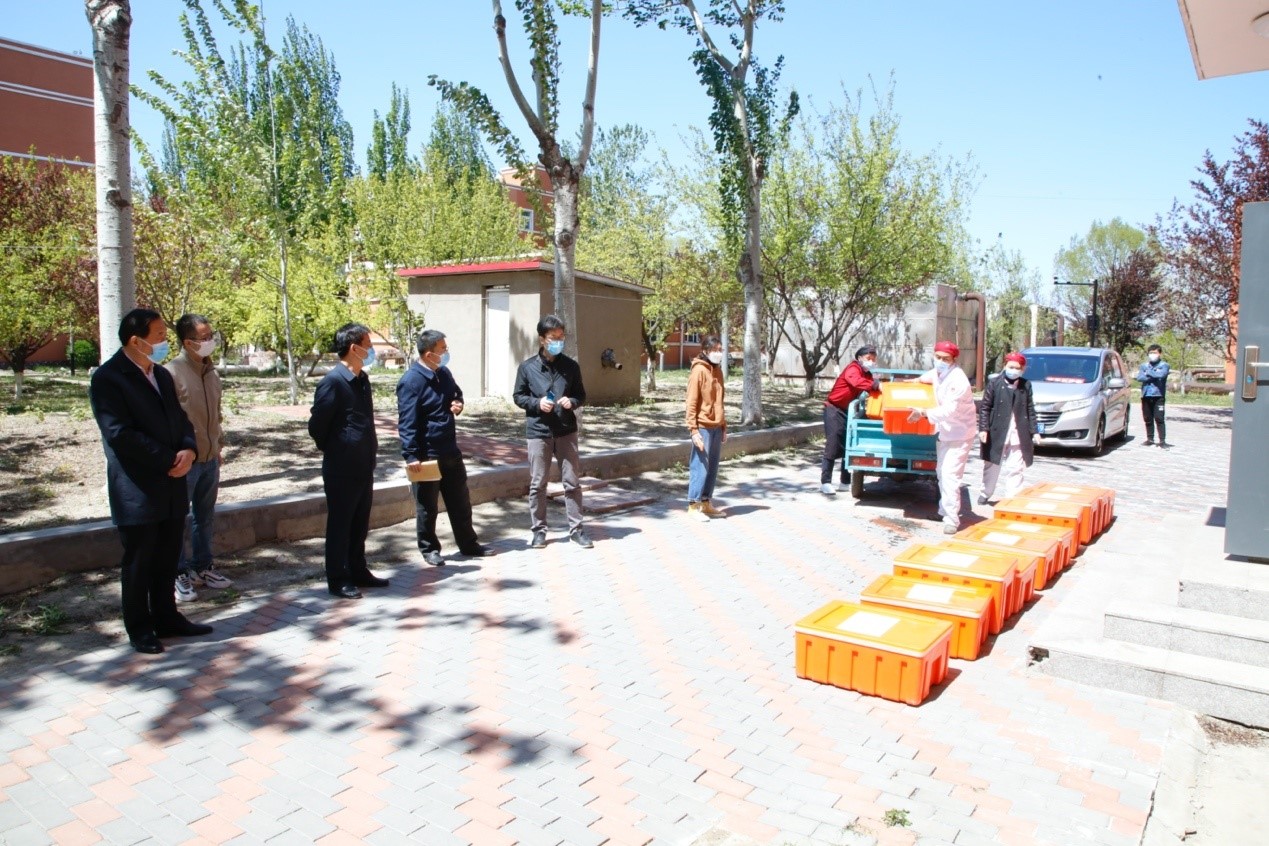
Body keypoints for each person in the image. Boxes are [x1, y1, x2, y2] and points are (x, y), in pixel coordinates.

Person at [89, 308, 212, 654]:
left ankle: (167, 617)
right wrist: (167, 459)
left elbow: (180, 419)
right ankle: (140, 628)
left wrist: (188, 449)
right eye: (158, 335)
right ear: (135, 340)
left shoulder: (160, 374)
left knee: (167, 556)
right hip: (139, 487)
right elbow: (119, 434)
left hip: (173, 483)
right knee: (140, 561)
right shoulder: (109, 379)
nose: (164, 341)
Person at [396, 329, 493, 566]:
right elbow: (407, 421)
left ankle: (468, 544)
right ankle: (429, 549)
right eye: (443, 349)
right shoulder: (410, 381)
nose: (446, 352)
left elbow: (456, 394)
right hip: (426, 455)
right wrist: (411, 455)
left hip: (450, 449)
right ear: (429, 354)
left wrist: (458, 403)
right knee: (427, 506)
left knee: (460, 501)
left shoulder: (444, 373)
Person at [308, 323, 389, 599]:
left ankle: (358, 570)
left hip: (364, 464)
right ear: (354, 348)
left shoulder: (361, 379)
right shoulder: (332, 382)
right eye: (368, 344)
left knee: (359, 523)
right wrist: (339, 448)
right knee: (340, 526)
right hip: (341, 468)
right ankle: (338, 578)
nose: (372, 350)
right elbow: (317, 426)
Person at [168, 313, 232, 603]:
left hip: (209, 459)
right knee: (177, 520)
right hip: (184, 463)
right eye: (204, 337)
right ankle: (178, 573)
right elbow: (169, 421)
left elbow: (216, 415)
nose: (210, 341)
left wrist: (217, 447)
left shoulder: (211, 373)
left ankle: (202, 567)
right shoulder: (171, 373)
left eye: (211, 336)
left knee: (204, 517)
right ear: (187, 342)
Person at [512, 315, 592, 549]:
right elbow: (518, 396)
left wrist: (572, 402)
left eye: (561, 336)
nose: (558, 341)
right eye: (553, 337)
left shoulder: (571, 366)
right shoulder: (527, 367)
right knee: (538, 484)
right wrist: (537, 403)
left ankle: (577, 530)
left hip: (566, 430)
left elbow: (581, 395)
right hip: (539, 431)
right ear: (542, 339)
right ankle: (539, 531)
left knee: (572, 482)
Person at [908, 341, 978, 534]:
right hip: (945, 432)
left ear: (954, 360)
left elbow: (949, 410)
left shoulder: (958, 380)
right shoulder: (939, 372)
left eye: (945, 359)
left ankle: (952, 520)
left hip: (959, 434)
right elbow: (928, 377)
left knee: (950, 476)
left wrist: (923, 412)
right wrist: (915, 381)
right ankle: (943, 511)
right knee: (941, 473)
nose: (940, 361)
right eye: (937, 357)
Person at [819, 345, 882, 496]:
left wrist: (876, 382)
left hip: (849, 411)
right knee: (833, 444)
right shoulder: (853, 368)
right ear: (860, 358)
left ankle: (845, 482)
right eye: (868, 358)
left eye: (873, 359)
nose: (871, 362)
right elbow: (856, 382)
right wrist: (875, 384)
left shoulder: (867, 374)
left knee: (848, 445)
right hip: (834, 409)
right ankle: (825, 482)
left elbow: (871, 388)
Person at [977, 352, 1039, 504]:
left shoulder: (1026, 385)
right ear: (1005, 366)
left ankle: (1013, 498)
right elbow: (985, 407)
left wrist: (1035, 431)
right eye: (1011, 367)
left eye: (1018, 368)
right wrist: (983, 429)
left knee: (1015, 467)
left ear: (1023, 369)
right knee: (992, 464)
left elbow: (1030, 409)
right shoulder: (995, 383)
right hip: (997, 431)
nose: (1014, 371)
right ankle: (986, 492)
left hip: (1018, 432)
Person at [685, 336, 728, 521]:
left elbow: (720, 401)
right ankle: (693, 505)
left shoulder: (718, 371)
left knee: (713, 467)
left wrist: (723, 425)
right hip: (702, 426)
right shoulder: (699, 371)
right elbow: (691, 402)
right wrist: (693, 430)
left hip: (716, 426)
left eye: (720, 349)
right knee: (700, 465)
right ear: (705, 350)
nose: (718, 353)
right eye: (715, 349)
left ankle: (706, 502)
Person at [1136, 343, 1170, 447]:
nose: (1152, 355)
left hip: (1158, 395)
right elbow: (1140, 377)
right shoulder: (1144, 366)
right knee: (1147, 418)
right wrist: (1153, 375)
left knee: (1159, 418)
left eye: (1154, 353)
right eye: (1150, 353)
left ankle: (1162, 441)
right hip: (1146, 395)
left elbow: (1161, 375)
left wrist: (1148, 373)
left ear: (1159, 354)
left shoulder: (1164, 365)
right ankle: (1150, 439)